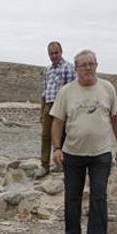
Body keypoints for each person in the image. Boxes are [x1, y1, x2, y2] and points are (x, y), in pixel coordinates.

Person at [50, 49, 117, 234]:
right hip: (73, 152)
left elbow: (116, 119)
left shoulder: (107, 88)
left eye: (91, 64)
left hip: (101, 153)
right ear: (76, 69)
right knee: (72, 195)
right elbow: (57, 122)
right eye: (83, 65)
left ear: (96, 66)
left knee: (99, 195)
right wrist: (56, 148)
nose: (88, 68)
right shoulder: (66, 91)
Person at [40, 41, 76, 175]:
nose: (54, 56)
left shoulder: (68, 67)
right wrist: (42, 110)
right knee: (45, 135)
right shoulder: (47, 69)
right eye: (51, 53)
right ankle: (44, 165)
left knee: (62, 136)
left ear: (61, 52)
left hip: (62, 105)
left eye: (56, 53)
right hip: (49, 105)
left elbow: (72, 90)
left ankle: (62, 164)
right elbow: (44, 92)